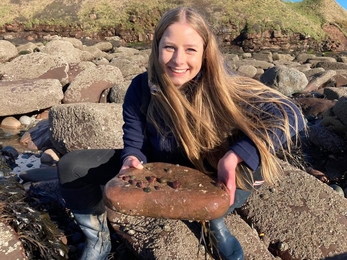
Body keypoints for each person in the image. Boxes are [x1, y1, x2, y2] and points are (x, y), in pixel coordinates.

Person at [58, 6, 306, 260]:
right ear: (157, 47)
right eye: (169, 48)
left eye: (190, 50)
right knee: (71, 166)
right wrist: (131, 159)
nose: (178, 60)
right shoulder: (141, 87)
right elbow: (134, 141)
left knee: (219, 202)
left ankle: (214, 223)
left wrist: (234, 157)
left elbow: (289, 113)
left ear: (205, 52)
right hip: (160, 164)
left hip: (212, 171)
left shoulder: (224, 84)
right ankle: (98, 240)